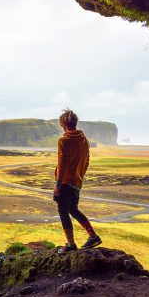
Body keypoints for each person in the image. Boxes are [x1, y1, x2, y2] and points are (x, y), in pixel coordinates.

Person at [54, 109, 102, 254]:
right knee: (72, 209)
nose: (61, 127)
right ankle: (93, 236)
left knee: (63, 211)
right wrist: (80, 177)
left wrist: (58, 185)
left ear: (64, 123)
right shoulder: (83, 139)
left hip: (65, 182)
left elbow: (62, 164)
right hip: (76, 182)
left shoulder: (64, 140)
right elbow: (87, 161)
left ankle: (71, 245)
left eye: (61, 124)